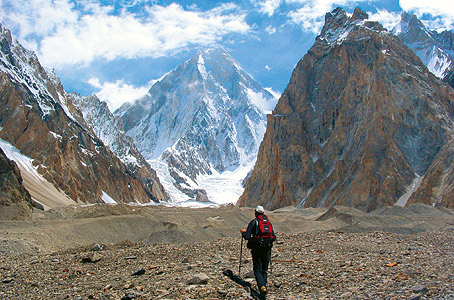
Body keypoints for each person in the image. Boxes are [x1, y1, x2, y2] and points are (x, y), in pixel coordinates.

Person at [241, 205, 276, 297]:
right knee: (264, 270)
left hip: (257, 249)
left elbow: (247, 236)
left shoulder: (254, 222)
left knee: (257, 270)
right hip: (267, 248)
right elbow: (273, 236)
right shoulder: (268, 223)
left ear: (255, 213)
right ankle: (263, 289)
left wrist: (243, 232)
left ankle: (262, 287)